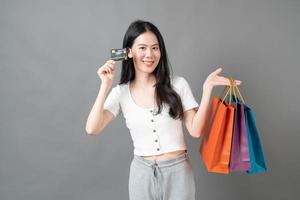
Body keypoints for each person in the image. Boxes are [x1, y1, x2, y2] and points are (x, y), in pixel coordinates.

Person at [85, 20, 241, 200]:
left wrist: (207, 90)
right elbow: (92, 128)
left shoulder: (178, 84)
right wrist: (105, 85)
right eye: (142, 48)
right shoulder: (120, 92)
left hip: (179, 173)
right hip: (141, 174)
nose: (149, 54)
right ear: (129, 52)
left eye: (155, 48)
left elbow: (196, 130)